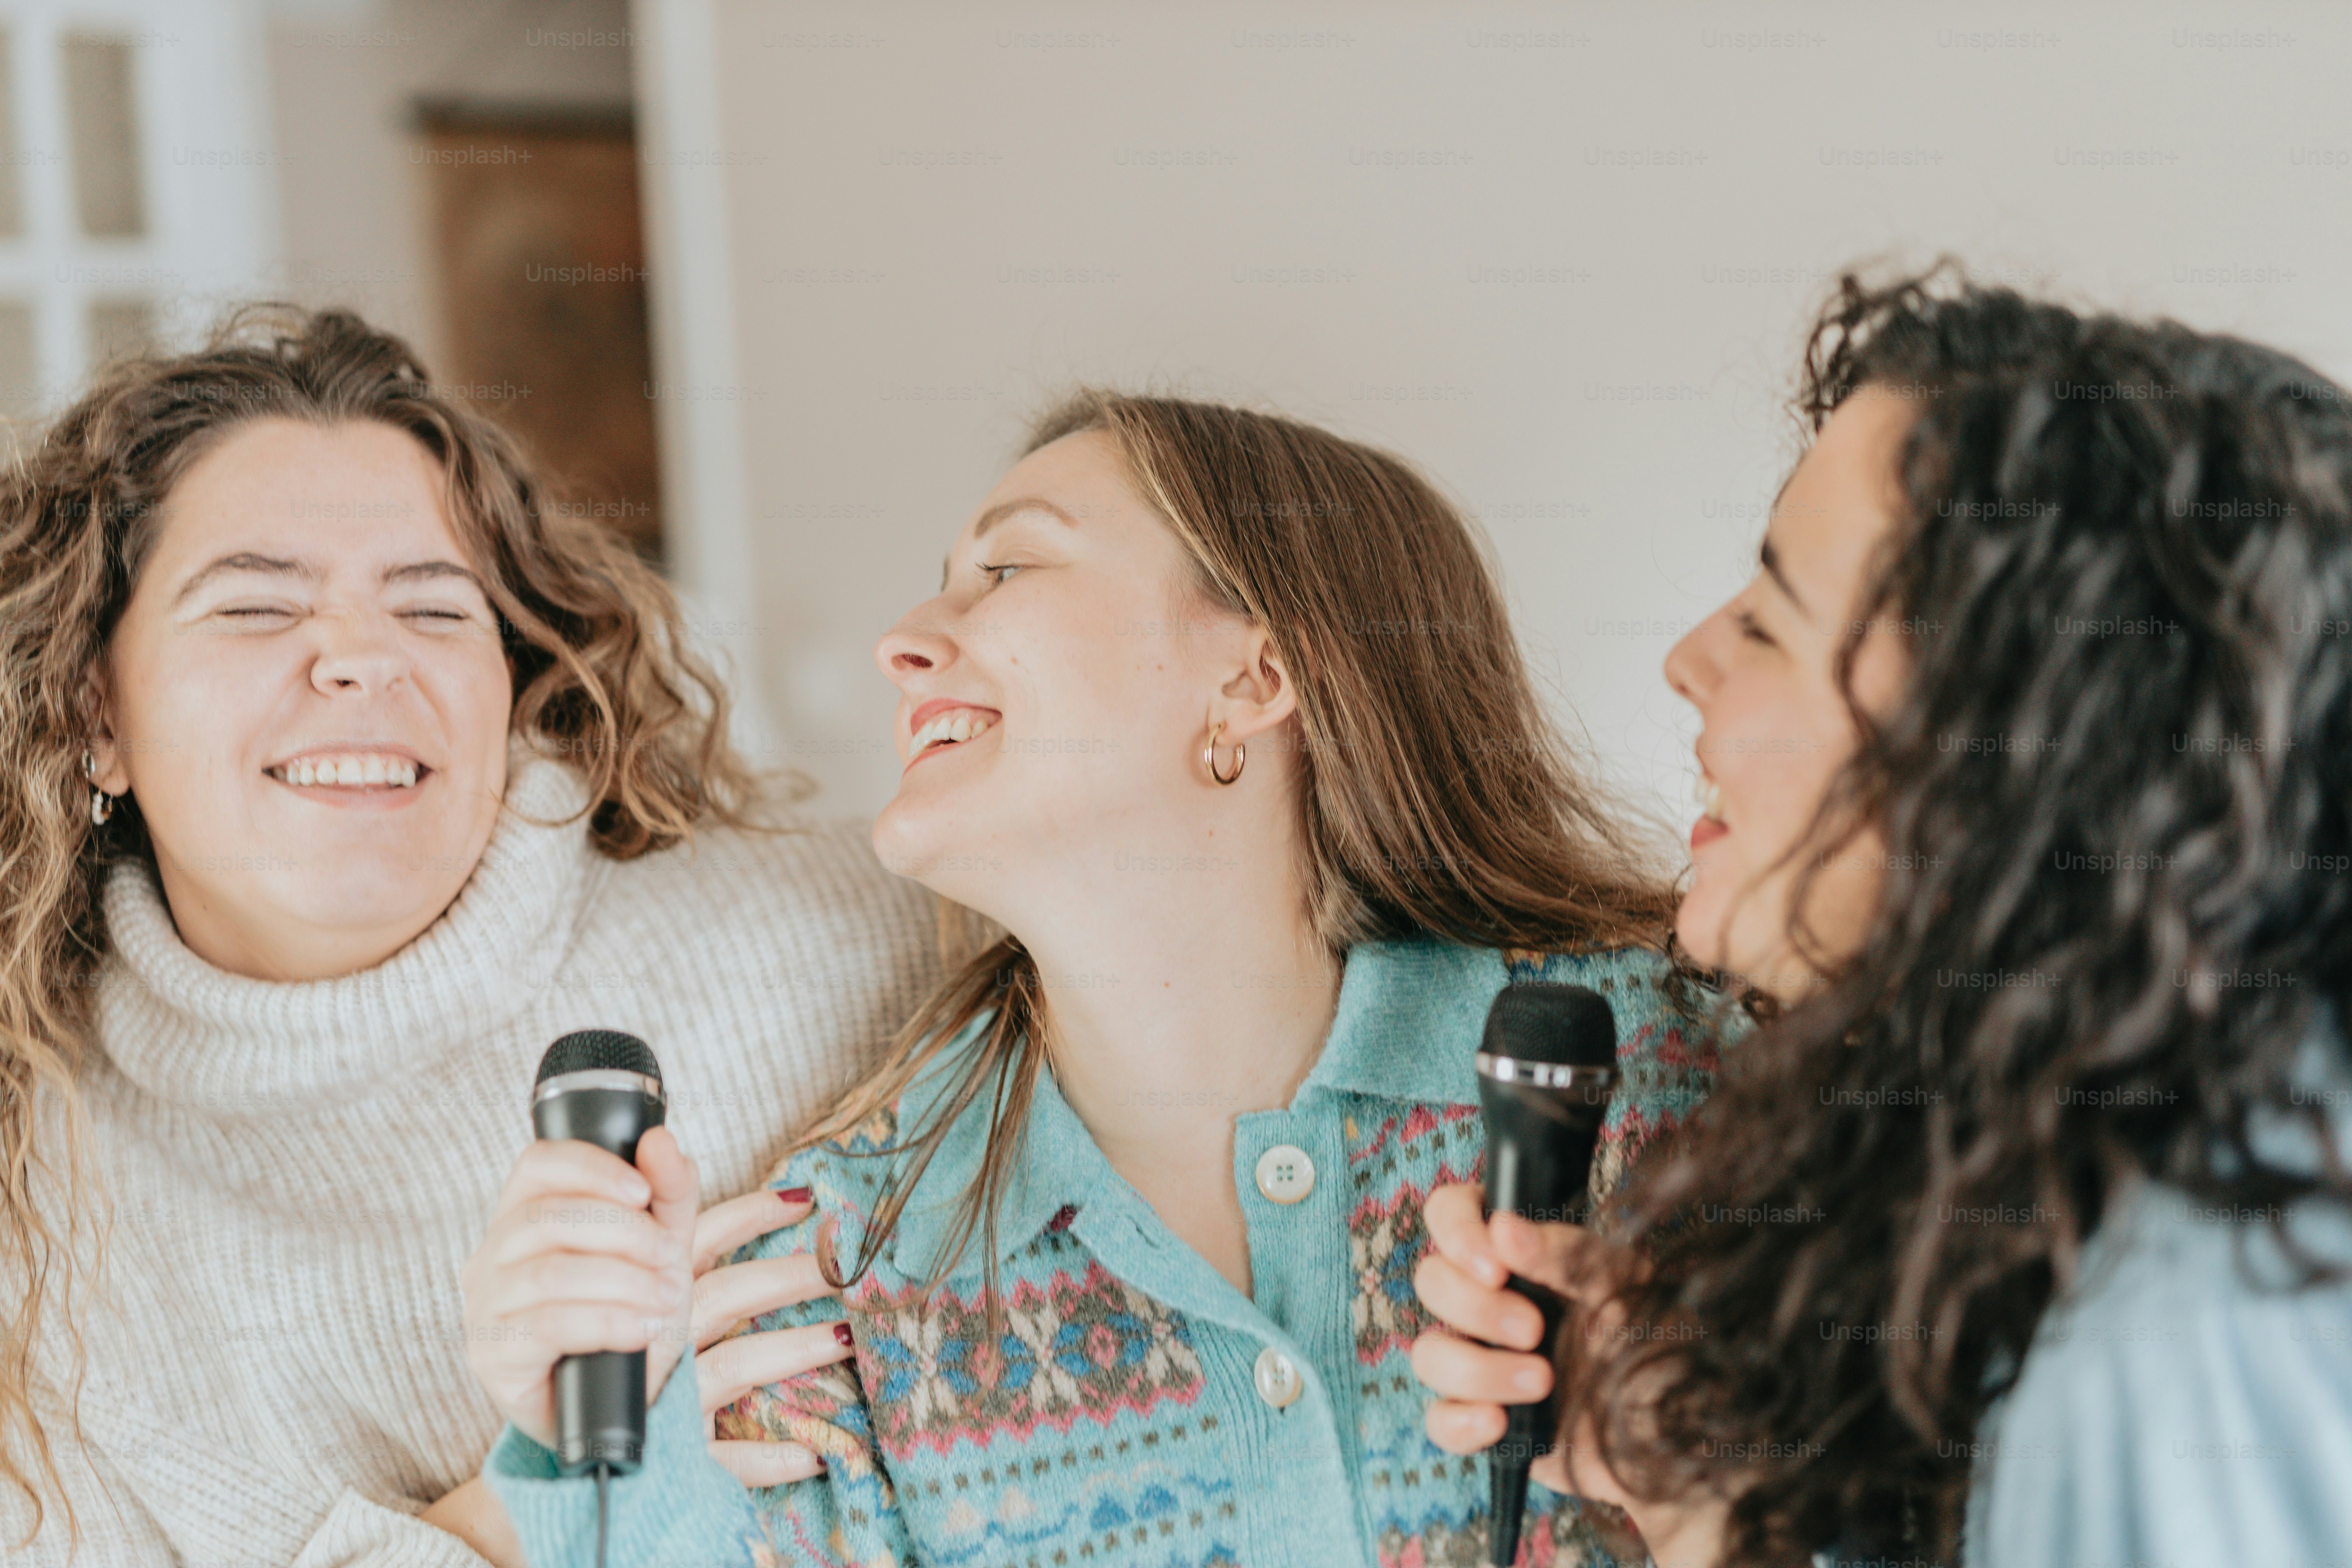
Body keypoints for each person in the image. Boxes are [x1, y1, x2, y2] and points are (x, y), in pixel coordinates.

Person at [461, 391, 1736, 1566]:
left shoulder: (1674, 1080)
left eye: (1006, 569)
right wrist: (602, 1469)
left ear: (1254, 678)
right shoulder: (832, 1281)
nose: (904, 641)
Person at [1411, 270, 2352, 1567]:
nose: (1689, 659)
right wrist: (1706, 1499)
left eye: (1773, 619)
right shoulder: (2130, 1200)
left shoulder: (2202, 1328)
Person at [0, 308, 945, 1565]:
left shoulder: (862, 947)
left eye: (435, 611)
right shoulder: (43, 1233)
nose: (358, 658)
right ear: (93, 713)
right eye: (254, 608)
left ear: (516, 677)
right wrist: (536, 1493)